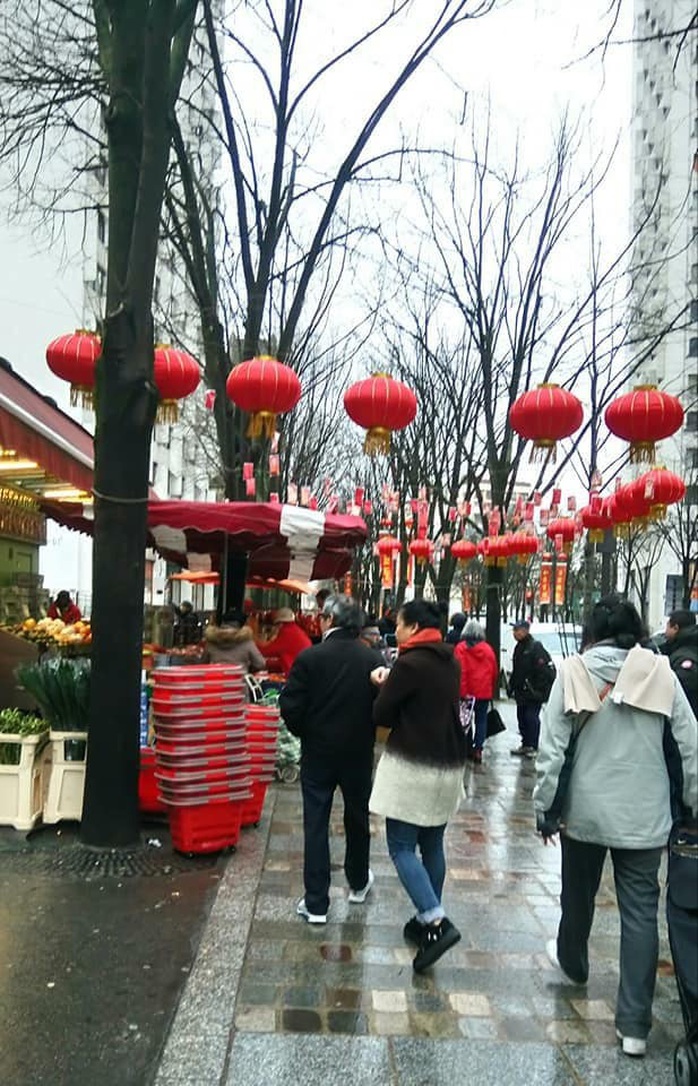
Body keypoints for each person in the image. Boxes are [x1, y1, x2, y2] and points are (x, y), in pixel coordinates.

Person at [534, 595, 698, 1058]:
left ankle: (574, 962)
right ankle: (634, 1027)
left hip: (584, 812)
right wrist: (692, 806)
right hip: (646, 817)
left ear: (591, 631)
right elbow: (689, 745)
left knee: (577, 894)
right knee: (640, 915)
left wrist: (545, 808)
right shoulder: (662, 673)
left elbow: (551, 750)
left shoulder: (573, 672)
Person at [369, 599, 466, 973]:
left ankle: (435, 919)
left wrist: (382, 682)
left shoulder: (409, 664)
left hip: (414, 765)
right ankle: (426, 922)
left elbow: (383, 714)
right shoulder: (450, 659)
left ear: (412, 626)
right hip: (447, 765)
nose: (397, 628)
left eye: (399, 623)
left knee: (401, 846)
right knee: (432, 844)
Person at [279, 596, 379, 923]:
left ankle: (317, 902)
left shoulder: (311, 657)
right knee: (357, 817)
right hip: (358, 751)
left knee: (316, 822)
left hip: (319, 752)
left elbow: (290, 706)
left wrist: (307, 731)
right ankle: (358, 881)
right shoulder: (372, 659)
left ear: (326, 620)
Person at [507, 619, 556, 757]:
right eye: (514, 630)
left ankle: (532, 745)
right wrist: (511, 686)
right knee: (521, 717)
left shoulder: (535, 647)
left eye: (517, 630)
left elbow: (544, 671)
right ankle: (526, 743)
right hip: (521, 691)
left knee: (531, 717)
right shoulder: (519, 648)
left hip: (533, 692)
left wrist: (538, 689)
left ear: (525, 630)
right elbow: (517, 670)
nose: (515, 633)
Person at [454, 619, 499, 763]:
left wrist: (461, 691)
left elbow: (460, 671)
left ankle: (466, 747)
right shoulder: (487, 649)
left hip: (466, 692)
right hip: (483, 692)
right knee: (481, 720)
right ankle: (478, 749)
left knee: (465, 721)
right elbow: (494, 671)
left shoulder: (461, 648)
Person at [203, 609, 266, 673]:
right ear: (242, 625)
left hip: (217, 680)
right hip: (239, 680)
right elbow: (261, 664)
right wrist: (248, 669)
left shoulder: (212, 641)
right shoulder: (246, 642)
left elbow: (203, 664)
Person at [662, 609, 697, 717]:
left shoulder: (685, 656)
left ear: (675, 628)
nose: (665, 631)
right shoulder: (682, 648)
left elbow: (682, 687)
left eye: (667, 626)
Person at [257, 607, 312, 674]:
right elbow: (285, 659)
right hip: (304, 672)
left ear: (280, 624)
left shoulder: (286, 633)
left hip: (295, 675)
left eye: (276, 625)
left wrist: (250, 645)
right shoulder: (297, 631)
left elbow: (266, 652)